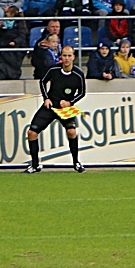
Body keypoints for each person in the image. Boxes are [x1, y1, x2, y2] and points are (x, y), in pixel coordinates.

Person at [24, 45, 87, 174]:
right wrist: (46, 98)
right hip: (51, 106)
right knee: (32, 133)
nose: (67, 58)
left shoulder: (78, 74)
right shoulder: (53, 69)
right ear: (61, 57)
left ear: (74, 57)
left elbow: (82, 92)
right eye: (64, 55)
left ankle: (76, 162)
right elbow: (42, 82)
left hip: (65, 109)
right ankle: (35, 165)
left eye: (69, 56)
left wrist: (70, 102)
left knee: (71, 132)